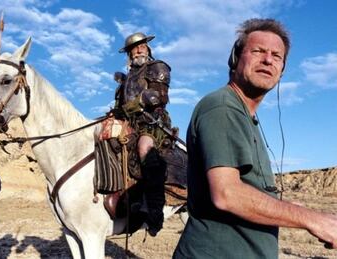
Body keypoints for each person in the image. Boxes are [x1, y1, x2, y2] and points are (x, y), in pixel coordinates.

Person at [173, 18, 337, 258]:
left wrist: (299, 211)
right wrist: (313, 220)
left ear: (282, 70)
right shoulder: (222, 108)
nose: (268, 60)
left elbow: (249, 190)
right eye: (258, 51)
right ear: (236, 59)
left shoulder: (244, 115)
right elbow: (227, 193)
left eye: (276, 56)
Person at [112, 32, 172, 236]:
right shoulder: (126, 79)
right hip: (130, 123)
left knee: (144, 147)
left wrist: (131, 106)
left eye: (142, 46)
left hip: (153, 123)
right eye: (134, 48)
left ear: (148, 48)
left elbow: (157, 97)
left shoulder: (157, 67)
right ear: (129, 53)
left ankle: (154, 211)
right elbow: (120, 107)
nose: (139, 50)